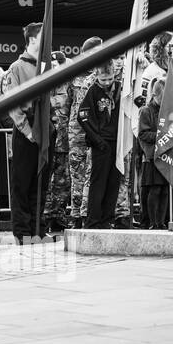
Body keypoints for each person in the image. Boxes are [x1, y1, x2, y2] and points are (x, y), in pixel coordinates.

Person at [1, 22, 44, 244]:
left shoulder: (46, 65)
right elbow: (13, 105)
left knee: (41, 182)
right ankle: (22, 231)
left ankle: (38, 228)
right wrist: (28, 132)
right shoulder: (17, 68)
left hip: (44, 127)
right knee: (22, 183)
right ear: (34, 39)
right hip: (26, 129)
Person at [78, 60, 122, 229]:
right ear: (96, 77)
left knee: (113, 183)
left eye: (109, 79)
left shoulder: (120, 89)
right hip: (101, 143)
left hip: (117, 142)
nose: (106, 83)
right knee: (98, 183)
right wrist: (96, 139)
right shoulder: (93, 91)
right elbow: (82, 116)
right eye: (103, 80)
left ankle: (107, 219)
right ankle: (93, 221)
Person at [67, 37, 104, 229]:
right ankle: (76, 216)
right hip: (77, 134)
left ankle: (87, 213)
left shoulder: (103, 74)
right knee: (77, 177)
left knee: (92, 176)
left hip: (95, 134)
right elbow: (66, 105)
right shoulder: (74, 74)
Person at [137, 77, 171, 230]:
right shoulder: (146, 111)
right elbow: (143, 134)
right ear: (155, 95)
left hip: (166, 155)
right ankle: (152, 221)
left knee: (164, 190)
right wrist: (161, 134)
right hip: (152, 156)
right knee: (155, 189)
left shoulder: (168, 112)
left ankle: (161, 221)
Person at [45, 51, 73, 235]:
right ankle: (44, 217)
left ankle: (59, 217)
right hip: (47, 140)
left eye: (58, 65)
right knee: (46, 182)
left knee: (62, 183)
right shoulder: (43, 84)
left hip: (63, 141)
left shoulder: (69, 83)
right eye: (52, 64)